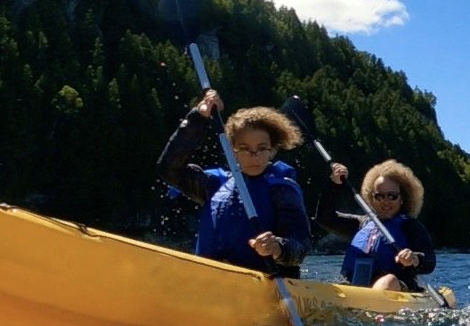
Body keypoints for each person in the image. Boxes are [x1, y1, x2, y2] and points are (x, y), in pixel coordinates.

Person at [156, 89, 311, 276]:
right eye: (245, 148)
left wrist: (278, 248)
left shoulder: (282, 190)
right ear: (232, 151)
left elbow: (300, 245)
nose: (254, 155)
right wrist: (198, 117)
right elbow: (169, 168)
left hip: (264, 285)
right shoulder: (213, 185)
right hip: (212, 281)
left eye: (261, 148)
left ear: (272, 151)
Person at [315, 159, 437, 292]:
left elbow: (429, 262)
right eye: (379, 196)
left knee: (388, 281)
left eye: (392, 196)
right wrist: (334, 184)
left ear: (402, 199)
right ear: (372, 199)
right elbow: (324, 218)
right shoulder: (361, 224)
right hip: (355, 288)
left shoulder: (411, 227)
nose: (386, 201)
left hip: (396, 287)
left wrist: (414, 258)